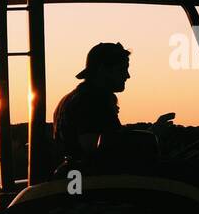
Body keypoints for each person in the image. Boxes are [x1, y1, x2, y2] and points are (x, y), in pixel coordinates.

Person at [52, 42, 174, 170]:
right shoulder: (91, 100)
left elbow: (112, 142)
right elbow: (95, 147)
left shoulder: (76, 97)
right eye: (122, 69)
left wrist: (148, 133)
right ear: (103, 70)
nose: (127, 75)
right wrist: (151, 135)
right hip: (96, 181)